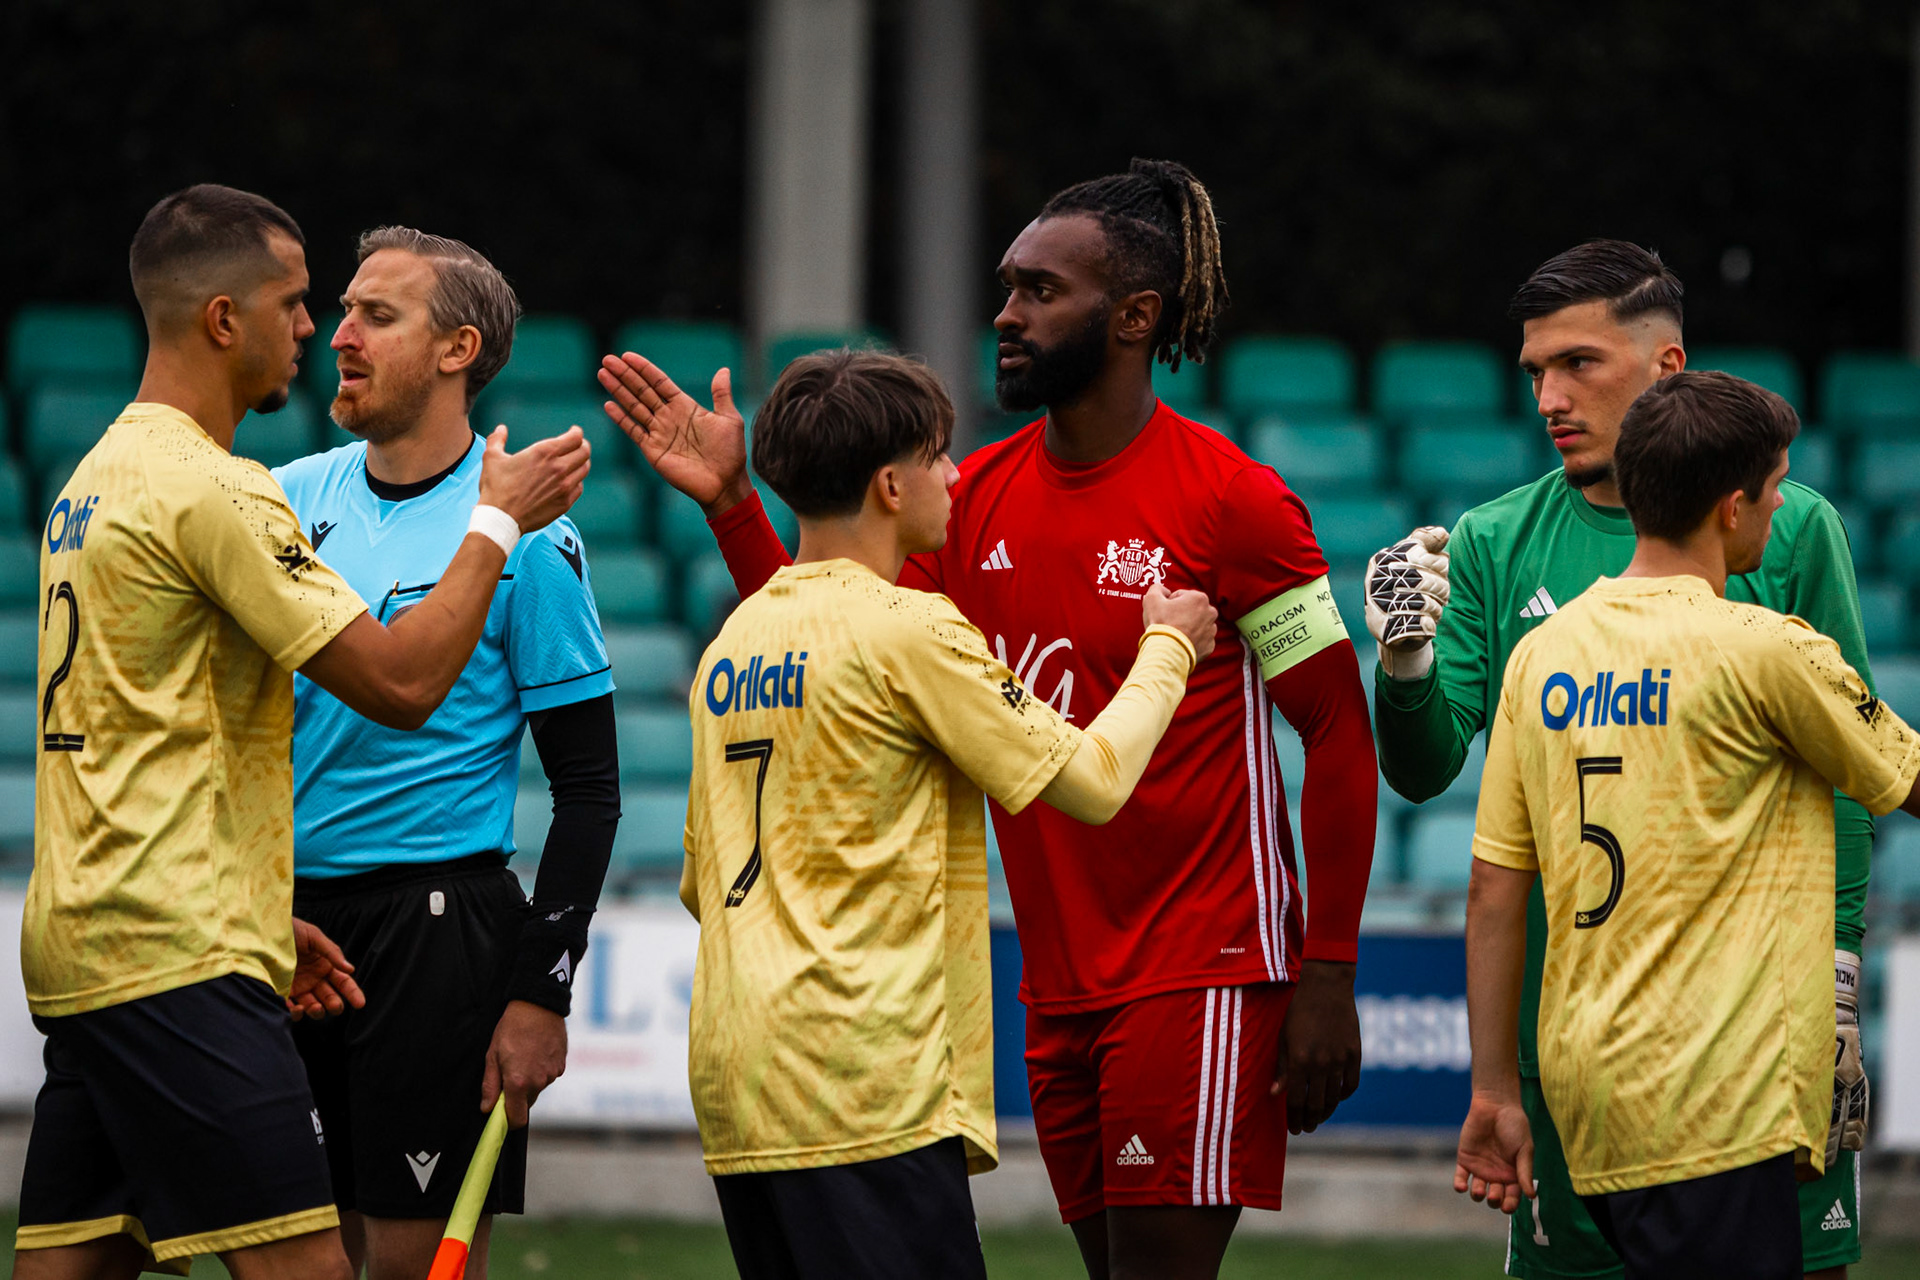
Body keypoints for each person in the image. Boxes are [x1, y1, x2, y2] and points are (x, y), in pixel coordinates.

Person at [603, 159, 1378, 1280]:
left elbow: (1339, 729)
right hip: (1056, 980)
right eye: (1006, 286)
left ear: (1134, 315)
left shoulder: (1236, 500)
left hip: (1197, 959)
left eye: (1036, 290)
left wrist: (1330, 970)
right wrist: (735, 508)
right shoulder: (971, 499)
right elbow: (842, 638)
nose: (1004, 314)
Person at [19, 184, 589, 1280]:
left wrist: (262, 912)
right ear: (223, 320)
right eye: (296, 303)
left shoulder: (90, 482)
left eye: (357, 311)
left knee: (67, 1266)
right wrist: (496, 521)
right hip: (178, 957)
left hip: (89, 942)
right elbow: (407, 680)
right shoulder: (223, 491)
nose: (316, 331)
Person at [1364, 240, 1873, 1279]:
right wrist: (1405, 667)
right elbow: (1424, 772)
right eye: (1536, 371)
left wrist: (1842, 972)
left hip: (1759, 1033)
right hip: (1580, 1046)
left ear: (1669, 367)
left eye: (1579, 363)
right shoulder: (1498, 538)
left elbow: (1848, 780)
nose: (1550, 396)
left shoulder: (1787, 524)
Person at [682, 348, 1214, 1280]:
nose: (955, 475)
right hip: (862, 1077)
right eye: (938, 456)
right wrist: (1168, 648)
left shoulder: (735, 639)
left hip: (741, 1083)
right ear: (890, 485)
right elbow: (1091, 781)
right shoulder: (909, 627)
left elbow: (701, 883)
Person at [1453, 370, 1920, 1280]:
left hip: (1588, 1099)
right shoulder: (1768, 646)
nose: (1783, 509)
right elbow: (1902, 778)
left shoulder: (1543, 654)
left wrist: (1491, 1091)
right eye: (1777, 490)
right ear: (1732, 507)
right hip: (1719, 1091)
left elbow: (1493, 885)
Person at [273, 227, 619, 1280]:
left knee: (400, 1261)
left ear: (460, 347)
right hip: (277, 924)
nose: (340, 335)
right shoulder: (281, 499)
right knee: (278, 1254)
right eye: (342, 311)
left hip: (436, 936)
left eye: (378, 314)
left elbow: (590, 791)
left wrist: (540, 992)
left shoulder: (534, 538)